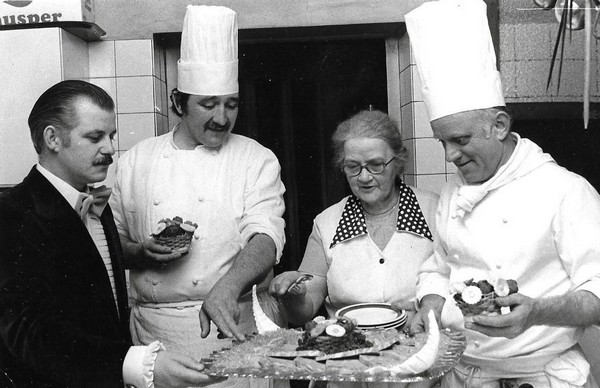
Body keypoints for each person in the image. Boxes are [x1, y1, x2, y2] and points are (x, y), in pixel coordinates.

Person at [405, 1, 600, 387]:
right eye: (442, 141)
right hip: (464, 374)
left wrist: (538, 311)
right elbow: (439, 268)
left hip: (540, 376)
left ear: (498, 125)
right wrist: (429, 306)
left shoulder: (565, 191)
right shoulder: (452, 193)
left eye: (460, 139)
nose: (450, 155)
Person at [0, 79, 215, 387]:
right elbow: (27, 331)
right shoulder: (12, 214)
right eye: (95, 137)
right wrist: (134, 362)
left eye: (111, 135)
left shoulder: (99, 207)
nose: (111, 149)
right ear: (52, 139)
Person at [109, 4, 286, 376]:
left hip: (232, 325)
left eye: (231, 104)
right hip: (153, 339)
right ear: (177, 102)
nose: (222, 118)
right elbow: (113, 245)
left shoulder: (255, 158)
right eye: (208, 104)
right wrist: (142, 253)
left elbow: (266, 237)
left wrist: (228, 285)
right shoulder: (135, 161)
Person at [269, 109, 439, 388]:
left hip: (418, 372)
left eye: (375, 165)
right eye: (353, 166)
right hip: (343, 373)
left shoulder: (435, 212)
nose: (364, 177)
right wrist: (294, 295)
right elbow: (305, 309)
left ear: (397, 162)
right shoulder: (327, 223)